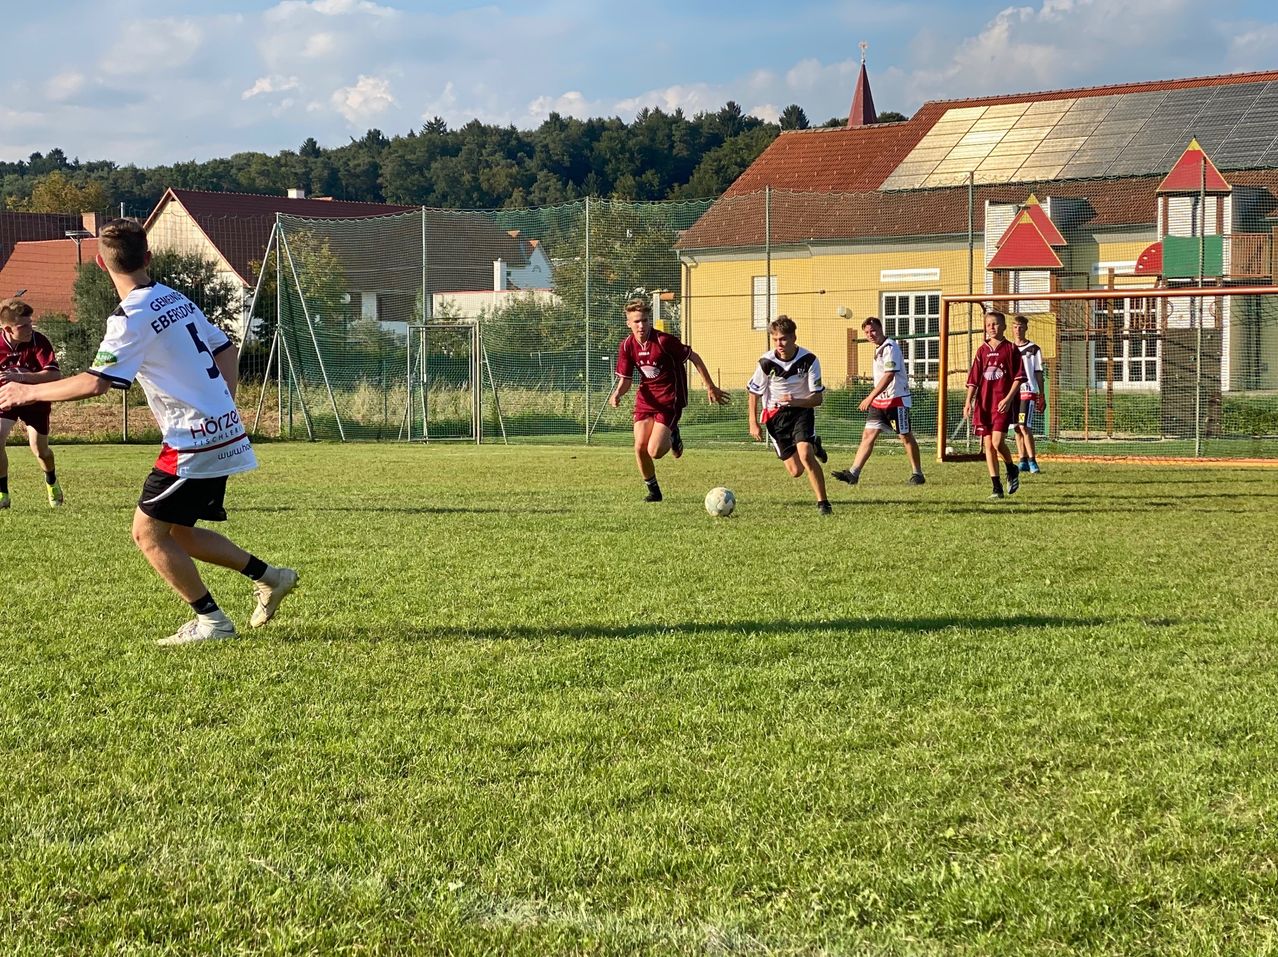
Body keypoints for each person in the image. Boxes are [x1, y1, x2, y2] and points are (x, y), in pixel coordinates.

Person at [0, 219, 298, 646]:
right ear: (149, 257)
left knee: (146, 534)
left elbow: (96, 382)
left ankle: (212, 622)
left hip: (192, 441)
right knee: (178, 532)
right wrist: (224, 406)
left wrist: (24, 391)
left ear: (100, 263)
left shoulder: (130, 317)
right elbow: (225, 349)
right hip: (220, 431)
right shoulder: (175, 298)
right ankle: (271, 577)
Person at [608, 296, 729, 502]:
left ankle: (672, 433)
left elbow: (694, 357)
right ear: (628, 323)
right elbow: (626, 380)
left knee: (654, 451)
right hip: (646, 399)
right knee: (639, 447)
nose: (641, 325)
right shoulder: (627, 346)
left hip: (669, 399)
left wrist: (710, 386)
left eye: (645, 320)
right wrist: (618, 393)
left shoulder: (663, 341)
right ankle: (654, 492)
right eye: (636, 321)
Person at [747, 315, 833, 515]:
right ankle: (815, 444)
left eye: (783, 339)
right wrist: (753, 421)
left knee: (806, 455)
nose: (779, 344)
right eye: (775, 339)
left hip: (801, 412)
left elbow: (817, 399)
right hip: (775, 418)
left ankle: (823, 504)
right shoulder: (766, 362)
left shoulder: (809, 360)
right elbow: (753, 393)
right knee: (796, 471)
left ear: (794, 337)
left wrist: (796, 401)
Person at [832, 316, 925, 488]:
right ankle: (853, 473)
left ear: (881, 329)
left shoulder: (890, 347)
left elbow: (889, 376)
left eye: (873, 330)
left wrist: (870, 397)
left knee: (905, 436)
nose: (870, 334)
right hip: (880, 402)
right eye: (867, 332)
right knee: (868, 435)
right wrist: (875, 398)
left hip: (896, 400)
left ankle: (917, 473)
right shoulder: (879, 348)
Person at [0, 298, 64, 508]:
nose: (30, 328)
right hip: (6, 399)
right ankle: (2, 494)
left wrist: (22, 377)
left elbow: (54, 375)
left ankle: (51, 481)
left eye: (30, 323)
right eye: (24, 326)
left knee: (41, 451)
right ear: (8, 329)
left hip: (35, 399)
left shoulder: (39, 341)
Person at [962, 310, 1025, 499]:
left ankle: (1011, 468)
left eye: (995, 324)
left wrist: (1008, 399)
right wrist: (968, 401)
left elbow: (1018, 378)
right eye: (988, 324)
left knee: (997, 442)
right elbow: (974, 380)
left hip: (1002, 404)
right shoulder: (982, 350)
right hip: (984, 404)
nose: (992, 327)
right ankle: (996, 488)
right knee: (988, 445)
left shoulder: (1011, 349)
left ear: (1004, 326)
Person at [1011, 314, 1046, 474]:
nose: (1018, 330)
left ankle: (1032, 461)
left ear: (1026, 328)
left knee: (1024, 426)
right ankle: (1022, 460)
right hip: (1013, 393)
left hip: (1027, 391)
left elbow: (1038, 372)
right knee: (1016, 427)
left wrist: (1041, 394)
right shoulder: (1009, 348)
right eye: (1015, 327)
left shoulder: (1034, 349)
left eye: (1020, 327)